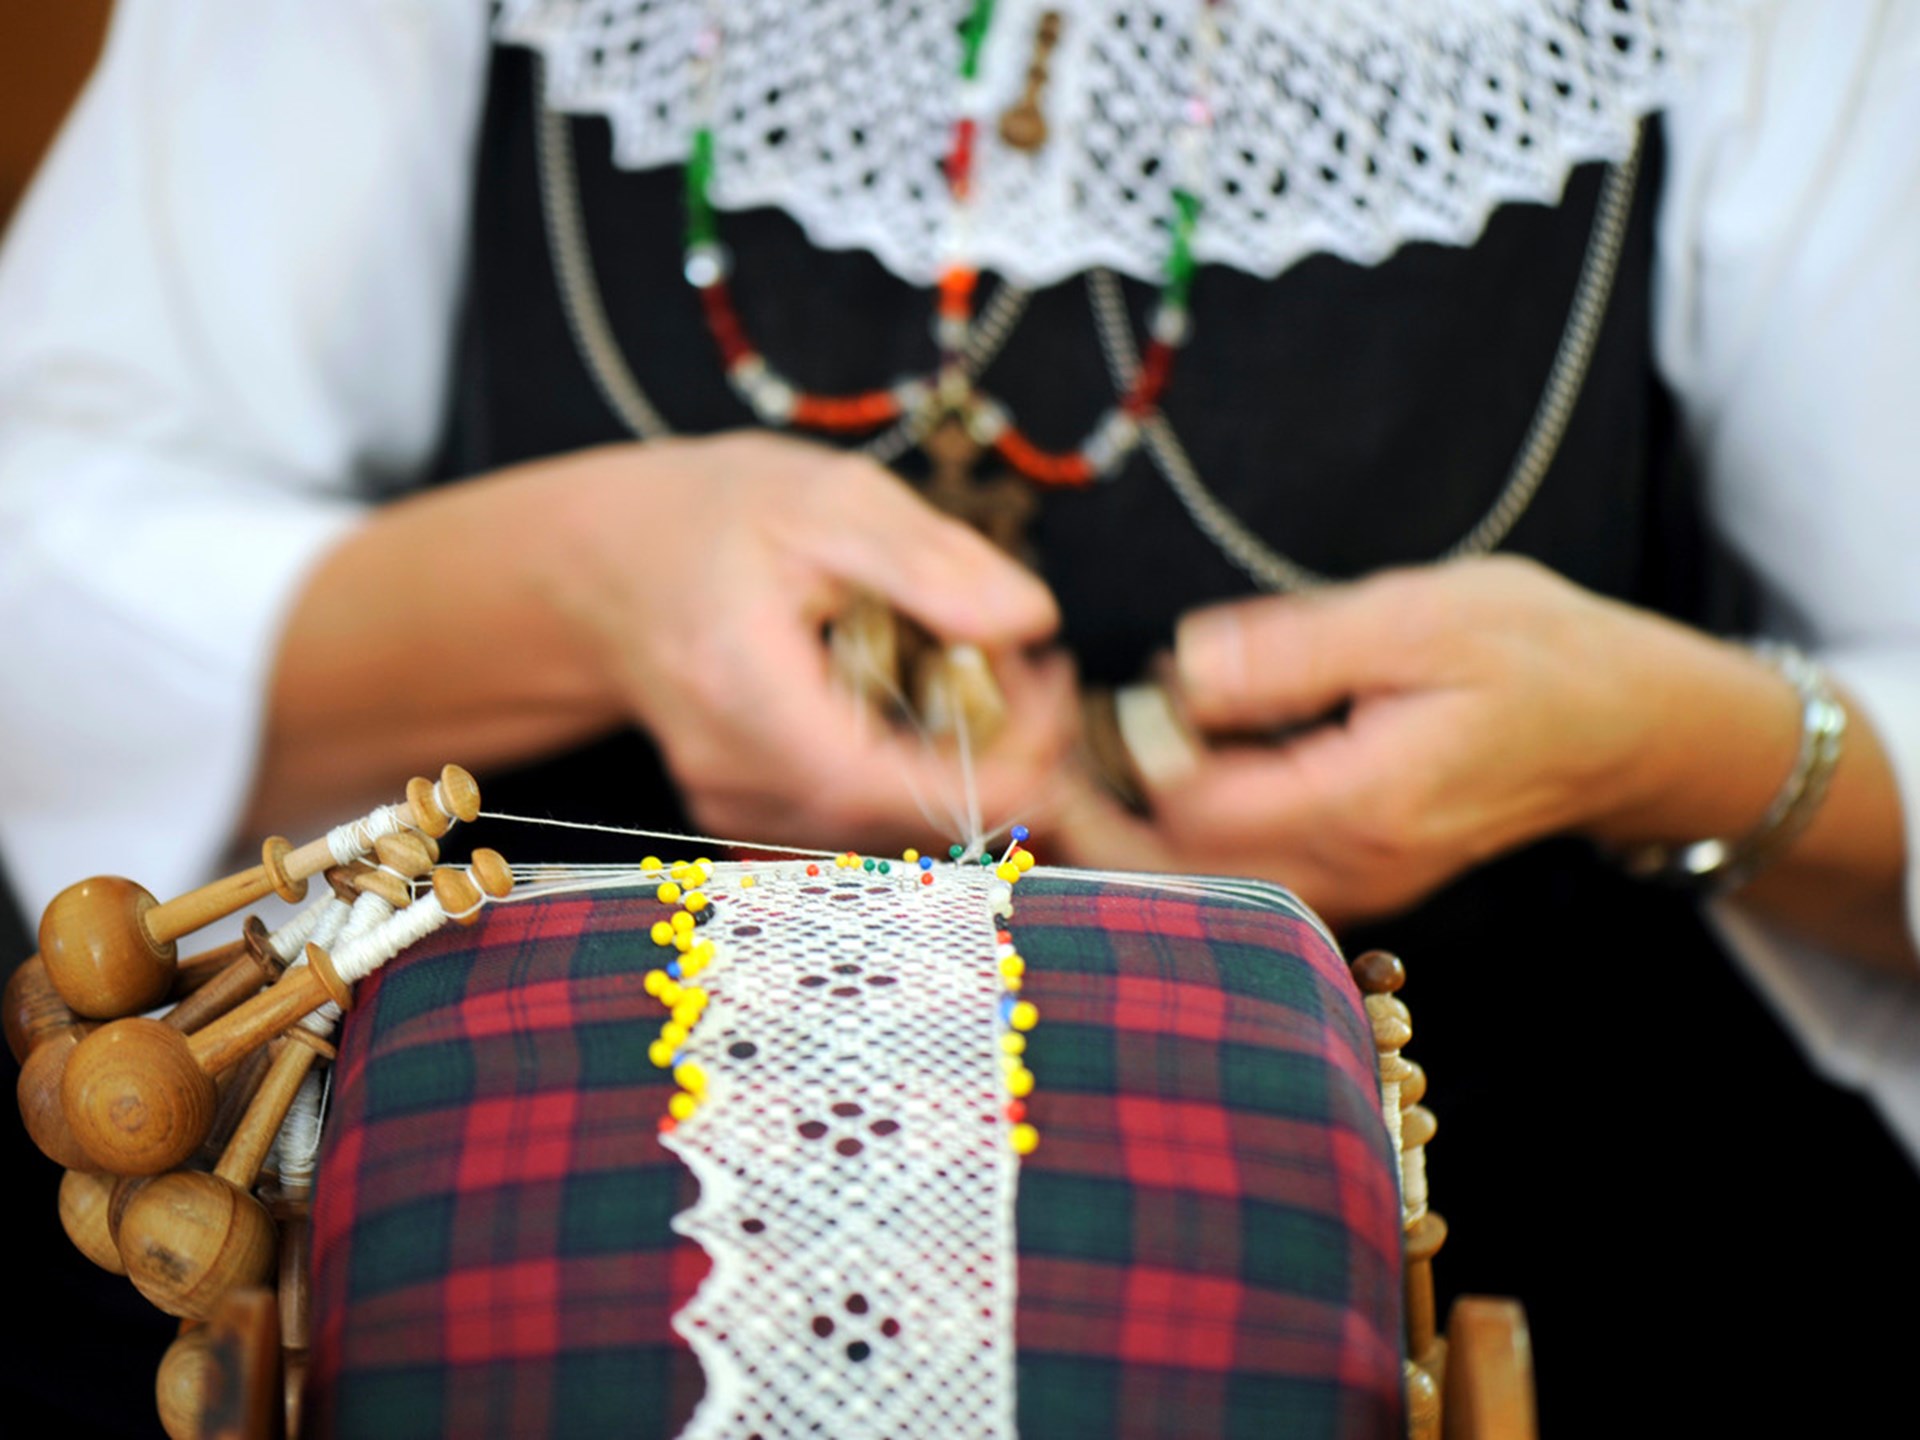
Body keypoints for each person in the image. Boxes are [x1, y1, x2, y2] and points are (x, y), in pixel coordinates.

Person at [1, 1, 1915, 1434]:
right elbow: (52, 554)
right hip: (491, 1270)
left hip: (1471, 1263)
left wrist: (1686, 746)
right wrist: (579, 589)